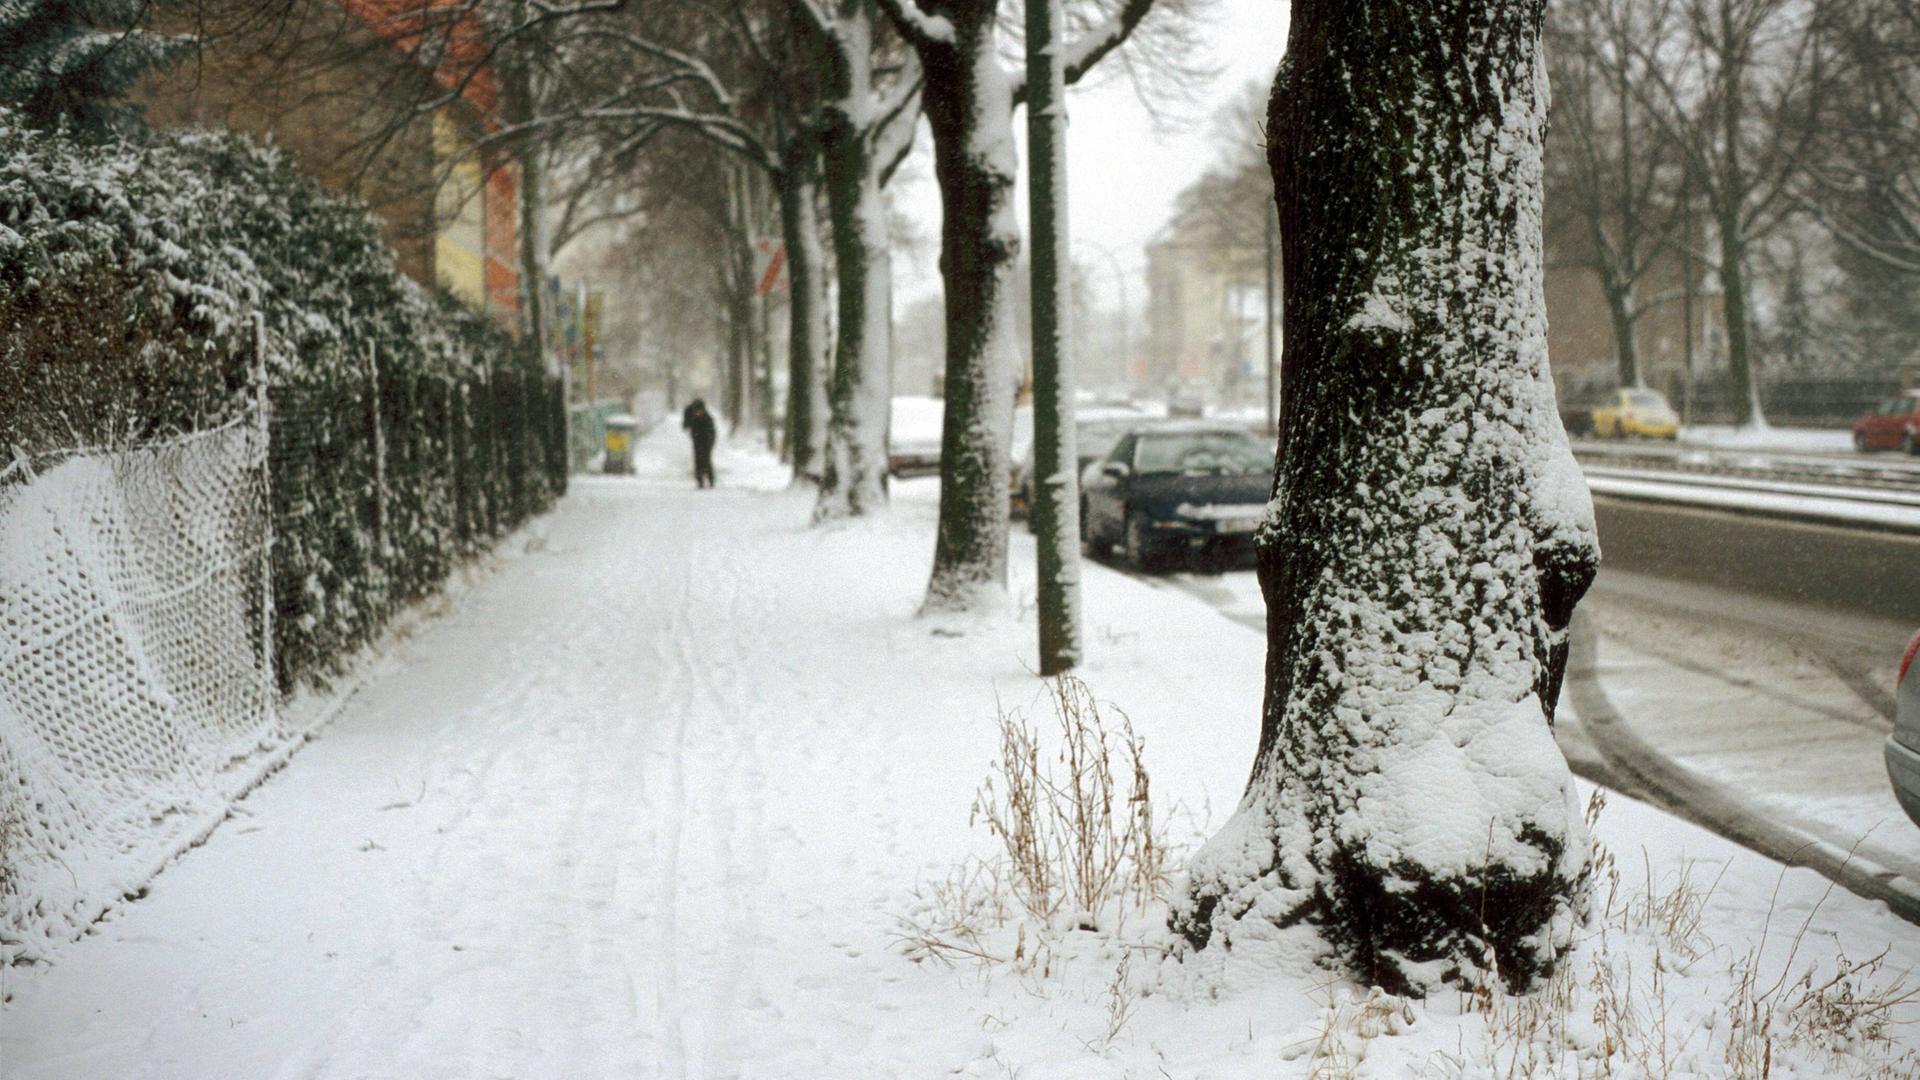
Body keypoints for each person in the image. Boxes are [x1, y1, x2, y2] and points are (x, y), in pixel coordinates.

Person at [682, 398, 717, 488]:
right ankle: (700, 480)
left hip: (707, 441)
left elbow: (712, 432)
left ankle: (710, 479)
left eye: (700, 411)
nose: (698, 413)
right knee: (698, 460)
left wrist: (709, 441)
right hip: (697, 440)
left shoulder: (708, 418)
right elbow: (686, 425)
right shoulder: (693, 418)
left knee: (706, 460)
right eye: (696, 411)